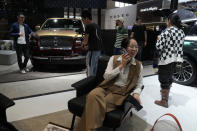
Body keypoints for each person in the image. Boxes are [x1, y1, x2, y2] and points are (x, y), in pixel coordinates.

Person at [77, 38, 143, 131]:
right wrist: (121, 66)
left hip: (120, 93)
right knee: (92, 95)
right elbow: (106, 77)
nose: (134, 49)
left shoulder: (139, 65)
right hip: (106, 87)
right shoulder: (113, 59)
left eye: (136, 47)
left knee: (95, 104)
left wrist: (136, 94)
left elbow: (139, 84)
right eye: (131, 46)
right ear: (123, 49)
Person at [155, 13, 185, 108]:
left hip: (166, 59)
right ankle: (166, 91)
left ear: (169, 21)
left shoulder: (166, 32)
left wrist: (158, 39)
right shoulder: (182, 32)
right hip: (177, 59)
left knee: (163, 79)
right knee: (170, 76)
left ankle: (164, 101)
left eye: (166, 20)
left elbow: (159, 47)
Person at [81, 10, 102, 77]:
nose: (83, 22)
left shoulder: (88, 26)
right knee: (95, 67)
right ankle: (93, 82)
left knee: (90, 67)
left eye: (83, 20)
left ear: (86, 18)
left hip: (93, 50)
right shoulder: (96, 25)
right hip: (98, 49)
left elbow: (85, 40)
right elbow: (95, 38)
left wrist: (82, 45)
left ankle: (90, 83)